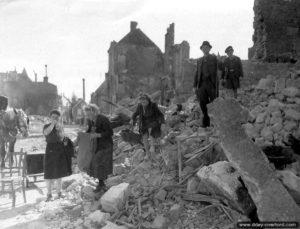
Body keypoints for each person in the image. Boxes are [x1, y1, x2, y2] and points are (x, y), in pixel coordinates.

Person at [84, 104, 113, 193]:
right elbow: (88, 132)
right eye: (86, 114)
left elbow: (110, 132)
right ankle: (101, 184)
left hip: (105, 145)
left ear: (94, 111)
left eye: (89, 114)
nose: (87, 116)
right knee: (97, 163)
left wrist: (98, 135)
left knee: (100, 162)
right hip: (96, 145)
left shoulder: (102, 119)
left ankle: (102, 184)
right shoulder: (90, 121)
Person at [43, 110, 71, 201]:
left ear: (59, 118)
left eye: (57, 117)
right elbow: (46, 133)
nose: (55, 119)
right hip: (50, 150)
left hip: (60, 150)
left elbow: (62, 138)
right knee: (49, 173)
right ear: (50, 117)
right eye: (53, 117)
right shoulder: (46, 126)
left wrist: (61, 132)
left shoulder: (60, 127)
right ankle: (49, 195)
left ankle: (59, 193)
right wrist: (52, 125)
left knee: (60, 173)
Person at [131, 94, 165, 160]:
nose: (143, 103)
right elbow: (135, 113)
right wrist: (132, 119)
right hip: (144, 123)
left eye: (144, 101)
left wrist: (162, 123)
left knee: (151, 129)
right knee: (144, 137)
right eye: (141, 101)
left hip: (153, 122)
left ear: (148, 100)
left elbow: (160, 115)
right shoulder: (140, 106)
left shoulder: (153, 105)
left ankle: (152, 146)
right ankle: (147, 153)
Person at [193, 41, 218, 128]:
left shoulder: (214, 58)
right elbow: (197, 73)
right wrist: (194, 85)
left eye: (207, 47)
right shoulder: (199, 60)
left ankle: (215, 122)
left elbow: (219, 68)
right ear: (201, 49)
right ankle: (206, 121)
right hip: (202, 84)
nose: (205, 49)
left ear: (209, 49)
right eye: (203, 48)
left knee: (213, 102)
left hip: (211, 83)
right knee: (202, 103)